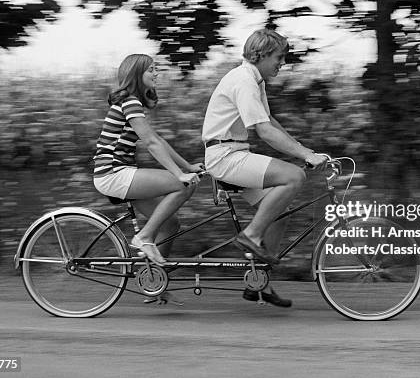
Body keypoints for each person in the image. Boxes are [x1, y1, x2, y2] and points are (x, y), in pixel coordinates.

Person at [202, 29, 327, 307]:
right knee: (294, 177)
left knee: (280, 214)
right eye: (278, 57)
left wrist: (305, 150)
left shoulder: (255, 80)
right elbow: (263, 132)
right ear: (260, 55)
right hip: (224, 156)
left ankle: (259, 283)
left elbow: (268, 120)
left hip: (234, 152)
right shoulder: (243, 80)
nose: (281, 63)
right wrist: (303, 156)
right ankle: (250, 236)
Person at [93, 54, 204, 272]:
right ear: (136, 74)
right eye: (151, 69)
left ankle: (154, 282)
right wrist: (180, 175)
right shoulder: (130, 101)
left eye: (156, 69)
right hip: (113, 173)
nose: (156, 73)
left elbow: (159, 140)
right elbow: (151, 143)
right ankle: (144, 237)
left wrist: (188, 167)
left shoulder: (133, 103)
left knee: (171, 224)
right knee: (184, 185)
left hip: (121, 173)